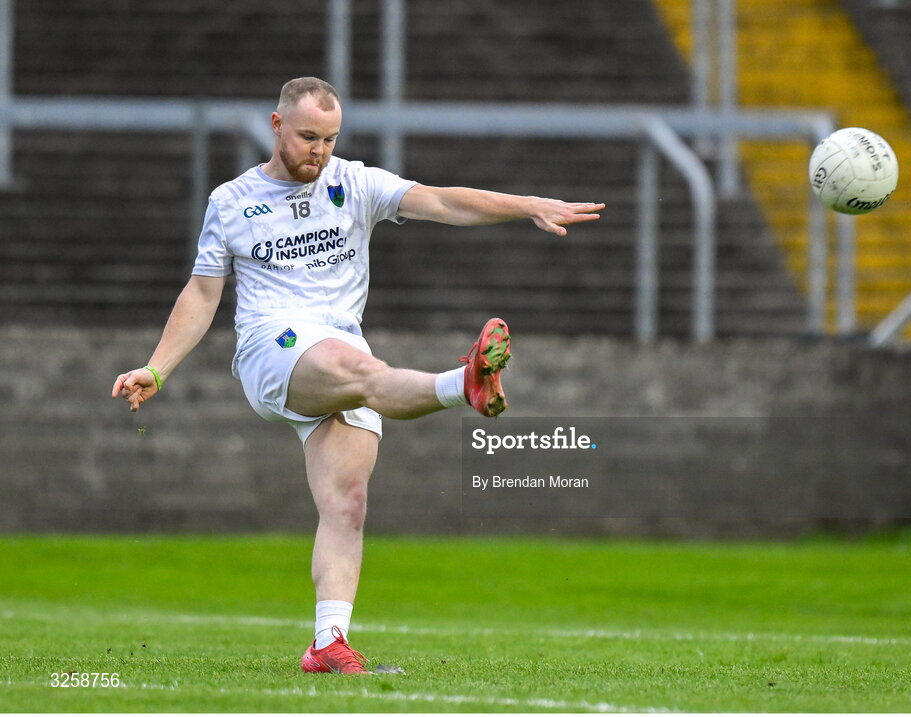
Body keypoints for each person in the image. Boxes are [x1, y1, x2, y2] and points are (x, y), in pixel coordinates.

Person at [110, 76, 604, 675]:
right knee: (363, 370)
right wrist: (157, 368)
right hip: (275, 349)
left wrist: (526, 205)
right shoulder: (231, 201)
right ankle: (463, 384)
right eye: (308, 136)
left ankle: (328, 642)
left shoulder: (355, 182)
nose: (319, 150)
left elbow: (443, 201)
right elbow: (203, 292)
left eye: (330, 138)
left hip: (342, 346)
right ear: (276, 125)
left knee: (347, 502)